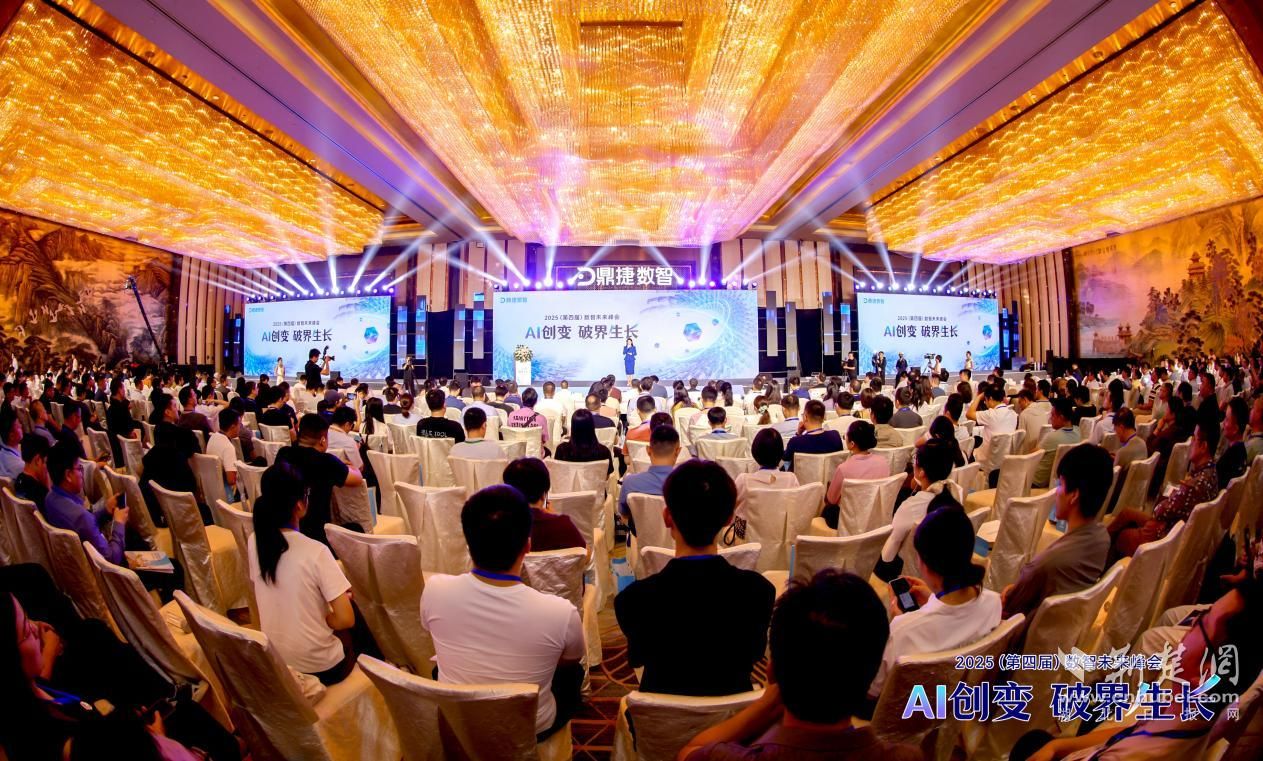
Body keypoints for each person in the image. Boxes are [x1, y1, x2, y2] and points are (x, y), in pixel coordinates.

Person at [677, 570, 920, 761]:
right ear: (873, 673)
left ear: (771, 671)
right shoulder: (907, 757)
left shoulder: (725, 757)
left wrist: (763, 707)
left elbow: (690, 751)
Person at [1012, 577, 1262, 761]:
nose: (1190, 623)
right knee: (1036, 742)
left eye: (1202, 622)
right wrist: (1057, 746)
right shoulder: (1188, 712)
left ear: (1206, 674)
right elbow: (1133, 730)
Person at [421, 485, 585, 739]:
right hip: (530, 726)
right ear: (528, 545)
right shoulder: (560, 613)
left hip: (459, 719)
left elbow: (429, 631)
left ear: (468, 543)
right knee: (574, 673)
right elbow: (570, 660)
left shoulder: (435, 589)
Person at [616, 460, 774, 696]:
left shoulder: (634, 600)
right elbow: (754, 653)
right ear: (729, 519)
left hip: (661, 712)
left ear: (667, 517)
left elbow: (638, 658)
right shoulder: (759, 592)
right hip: (734, 713)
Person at [869, 499, 1001, 699]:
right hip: (965, 701)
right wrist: (933, 598)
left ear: (924, 564)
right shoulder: (994, 603)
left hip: (915, 710)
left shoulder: (904, 629)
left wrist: (899, 621)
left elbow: (876, 690)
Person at [248, 462, 357, 685]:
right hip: (322, 668)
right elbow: (346, 619)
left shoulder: (255, 541)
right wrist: (326, 617)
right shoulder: (316, 551)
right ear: (299, 505)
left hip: (279, 659)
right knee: (358, 624)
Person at [1002, 444, 1112, 619]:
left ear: (1074, 495)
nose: (1056, 492)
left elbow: (1009, 609)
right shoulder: (1102, 538)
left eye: (1060, 484)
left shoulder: (1046, 565)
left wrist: (1008, 592)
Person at [1109, 410, 1220, 560]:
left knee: (1122, 536)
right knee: (1126, 513)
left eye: (1194, 439)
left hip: (1163, 534)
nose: (1191, 443)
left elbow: (1159, 511)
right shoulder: (1211, 473)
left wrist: (1172, 496)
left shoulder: (1194, 485)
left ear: (1203, 446)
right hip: (1169, 526)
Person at [274, 414, 365, 544]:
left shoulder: (284, 453)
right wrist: (349, 466)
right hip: (316, 536)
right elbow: (357, 478)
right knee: (356, 529)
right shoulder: (326, 461)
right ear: (322, 440)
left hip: (284, 530)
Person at [876, 438, 959, 580]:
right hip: (945, 565)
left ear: (921, 472)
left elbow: (887, 555)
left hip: (909, 570)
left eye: (915, 462)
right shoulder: (956, 492)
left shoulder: (911, 506)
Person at [41, 446, 126, 566]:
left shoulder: (49, 498)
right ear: (68, 475)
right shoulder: (82, 516)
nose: (82, 474)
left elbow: (84, 526)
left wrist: (105, 511)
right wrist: (119, 523)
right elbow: (112, 559)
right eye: (79, 468)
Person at [501, 458, 587, 554]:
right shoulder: (563, 525)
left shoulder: (496, 526)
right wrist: (555, 518)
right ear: (544, 494)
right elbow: (585, 555)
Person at [820, 420, 891, 529]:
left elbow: (831, 499)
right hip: (876, 516)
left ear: (852, 444)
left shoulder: (844, 468)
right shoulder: (883, 462)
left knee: (828, 510)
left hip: (851, 519)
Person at [732, 429, 800, 540]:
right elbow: (796, 510)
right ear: (781, 452)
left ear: (755, 452)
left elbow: (732, 507)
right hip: (782, 539)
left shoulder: (744, 480)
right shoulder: (791, 479)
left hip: (748, 543)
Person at [618, 425, 681, 530]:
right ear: (678, 451)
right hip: (678, 539)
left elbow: (624, 515)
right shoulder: (689, 485)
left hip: (642, 538)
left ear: (648, 450)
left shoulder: (630, 482)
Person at [969, 384, 1018, 476]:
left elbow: (969, 414)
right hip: (1005, 459)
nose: (985, 403)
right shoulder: (1013, 414)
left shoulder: (991, 415)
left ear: (990, 399)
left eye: (985, 400)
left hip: (986, 460)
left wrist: (979, 396)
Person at [782, 400, 844, 468]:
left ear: (805, 417)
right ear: (824, 417)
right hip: (831, 474)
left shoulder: (796, 442)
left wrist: (798, 434)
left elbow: (785, 458)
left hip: (802, 475)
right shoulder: (835, 436)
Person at [553, 408, 615, 475]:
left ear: (573, 427)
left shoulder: (561, 450)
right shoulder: (604, 452)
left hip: (567, 482)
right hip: (594, 482)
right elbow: (606, 476)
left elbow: (558, 474)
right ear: (592, 426)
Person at [204, 408, 241, 490]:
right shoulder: (228, 447)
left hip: (211, 487)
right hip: (226, 491)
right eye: (239, 424)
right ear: (233, 427)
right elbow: (231, 480)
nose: (240, 427)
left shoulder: (212, 437)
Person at [1217, 396, 1249, 489]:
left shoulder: (1228, 460)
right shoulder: (1241, 450)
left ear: (1235, 429)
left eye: (1226, 419)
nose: (1223, 423)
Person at [1111, 407, 1147, 473]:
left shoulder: (1122, 453)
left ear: (1121, 427)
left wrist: (1119, 457)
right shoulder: (1143, 443)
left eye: (1115, 429)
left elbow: (1113, 477)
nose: (1116, 433)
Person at [0, 409, 23, 479]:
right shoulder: (19, 466)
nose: (21, 426)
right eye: (18, 426)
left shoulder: (3, 450)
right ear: (11, 436)